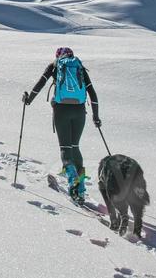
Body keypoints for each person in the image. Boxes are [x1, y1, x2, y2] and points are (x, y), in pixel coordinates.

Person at [22, 47, 101, 204]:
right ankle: (81, 188)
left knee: (65, 149)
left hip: (61, 110)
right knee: (75, 146)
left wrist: (28, 99)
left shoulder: (54, 65)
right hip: (79, 111)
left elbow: (40, 83)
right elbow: (92, 92)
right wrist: (96, 116)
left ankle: (73, 184)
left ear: (58, 56)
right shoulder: (79, 67)